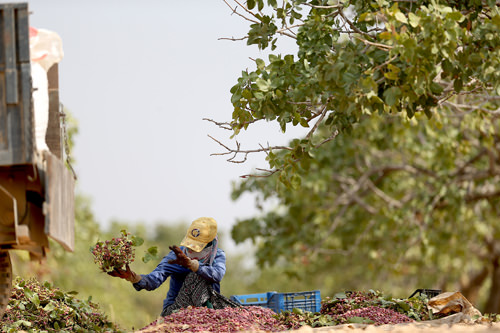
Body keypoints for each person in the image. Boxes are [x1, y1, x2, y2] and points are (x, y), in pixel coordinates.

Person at [108, 217, 238, 316]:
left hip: (209, 310)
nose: (191, 252)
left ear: (211, 246)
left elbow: (217, 274)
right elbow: (154, 279)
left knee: (201, 275)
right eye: (190, 246)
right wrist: (135, 279)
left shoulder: (218, 255)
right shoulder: (176, 256)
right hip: (177, 310)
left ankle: (208, 315)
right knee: (195, 277)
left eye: (197, 248)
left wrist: (195, 266)